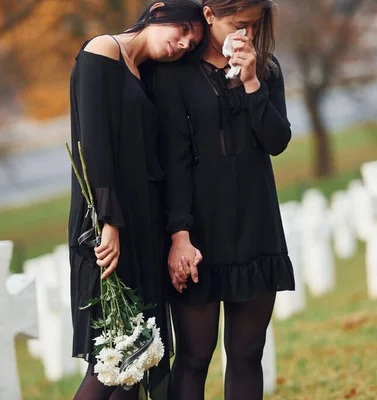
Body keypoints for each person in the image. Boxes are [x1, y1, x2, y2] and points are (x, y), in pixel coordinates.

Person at [153, 1, 294, 399]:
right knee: (196, 355)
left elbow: (277, 141)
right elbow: (174, 160)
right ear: (209, 14)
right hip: (200, 231)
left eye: (254, 25)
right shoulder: (175, 74)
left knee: (248, 353)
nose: (246, 33)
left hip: (256, 224)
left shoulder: (266, 69)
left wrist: (251, 82)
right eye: (239, 23)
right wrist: (179, 233)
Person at [68, 2, 205, 399]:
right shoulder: (102, 51)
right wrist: (109, 221)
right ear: (157, 10)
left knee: (138, 361)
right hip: (109, 223)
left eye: (192, 42)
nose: (182, 43)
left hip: (146, 224)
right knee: (113, 357)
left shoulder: (147, 73)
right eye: (181, 29)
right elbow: (92, 146)